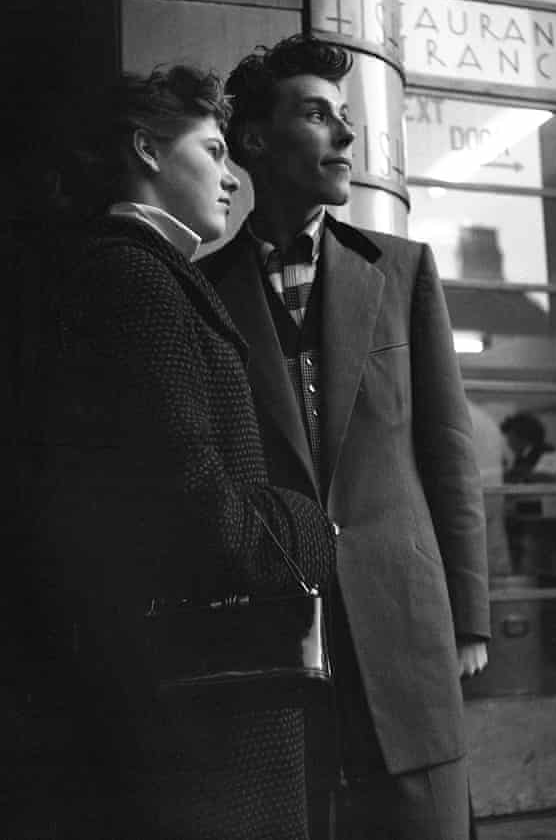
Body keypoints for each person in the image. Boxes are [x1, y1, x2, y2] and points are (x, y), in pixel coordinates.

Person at [201, 35, 490, 840]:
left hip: (407, 630)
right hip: (277, 640)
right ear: (254, 140)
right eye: (318, 115)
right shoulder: (203, 292)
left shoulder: (402, 271)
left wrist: (467, 614)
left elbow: (448, 453)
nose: (347, 137)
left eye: (345, 118)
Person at [38, 65, 337, 839]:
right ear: (146, 149)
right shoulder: (136, 281)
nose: (233, 177)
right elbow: (190, 504)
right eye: (212, 149)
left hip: (195, 695)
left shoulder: (144, 273)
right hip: (205, 709)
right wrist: (311, 530)